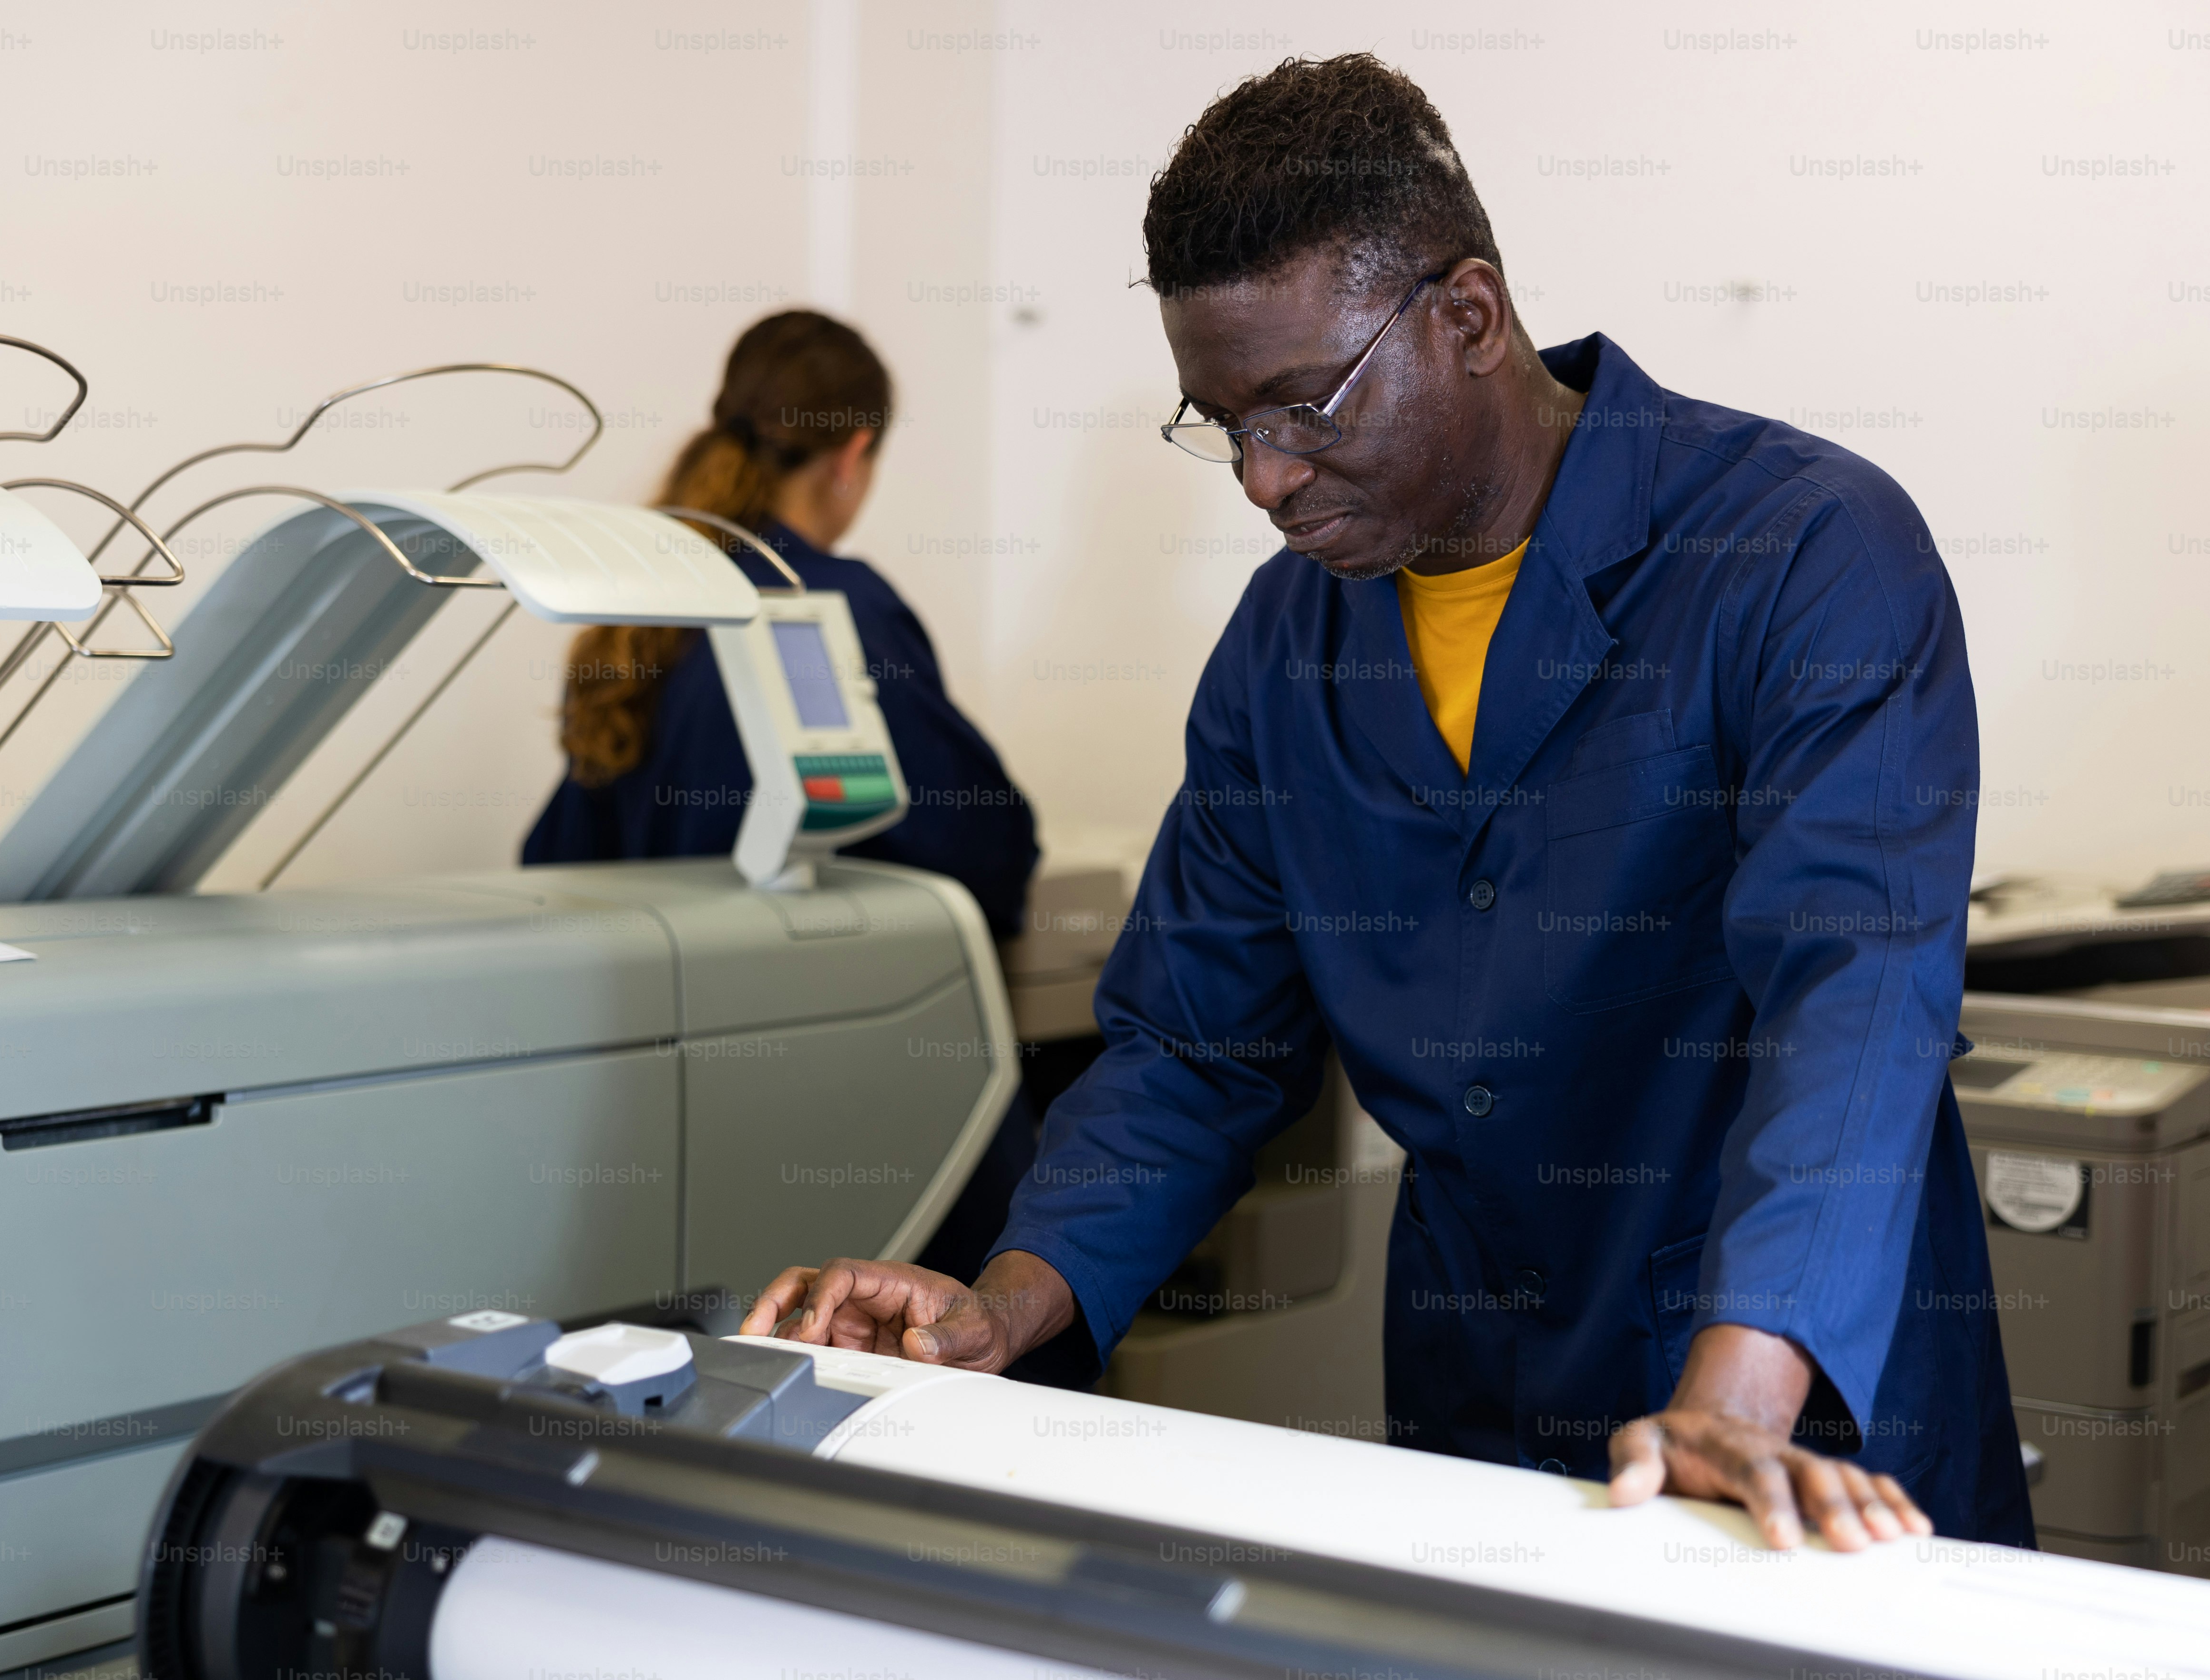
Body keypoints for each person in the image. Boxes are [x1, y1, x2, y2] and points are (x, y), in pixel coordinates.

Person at [744, 57, 2032, 1551]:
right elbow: (1193, 1048)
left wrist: (1735, 1397)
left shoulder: (1803, 550)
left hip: (1788, 1403)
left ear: (1469, 318)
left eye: (1302, 407)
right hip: (1475, 1404)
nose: (1263, 478)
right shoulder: (1286, 648)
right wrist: (1005, 1303)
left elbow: (1856, 1001)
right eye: (1220, 422)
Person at [524, 310, 1042, 1282]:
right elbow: (987, 851)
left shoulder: (645, 606)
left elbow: (552, 868)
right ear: (853, 454)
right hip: (824, 1089)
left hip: (649, 1103)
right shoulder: (837, 607)